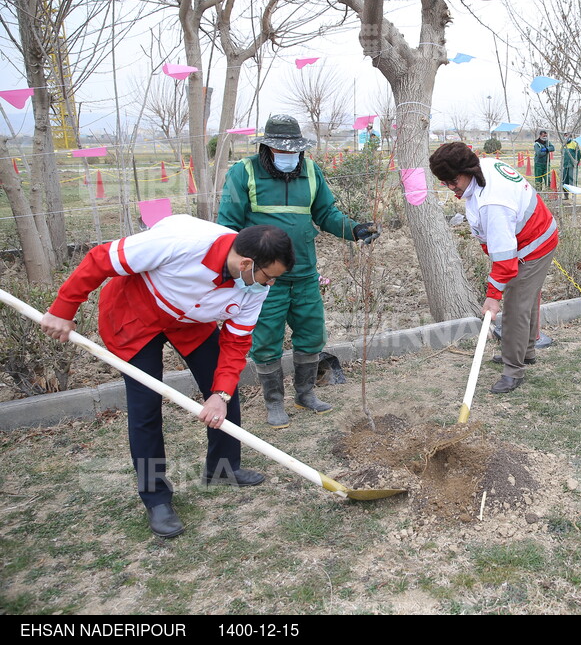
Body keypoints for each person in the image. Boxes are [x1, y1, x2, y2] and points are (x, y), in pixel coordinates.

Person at [40, 215, 296, 538]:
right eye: (268, 277)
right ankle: (156, 498)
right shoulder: (180, 242)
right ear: (246, 262)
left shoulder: (254, 286)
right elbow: (101, 259)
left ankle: (223, 468)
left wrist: (221, 394)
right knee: (146, 409)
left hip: (190, 322)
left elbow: (236, 343)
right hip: (136, 314)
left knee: (222, 387)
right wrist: (63, 310)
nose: (269, 285)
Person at [218, 115, 379, 430]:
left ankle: (305, 393)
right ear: (267, 149)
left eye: (294, 151)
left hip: (304, 273)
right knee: (266, 341)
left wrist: (355, 229)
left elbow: (326, 213)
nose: (290, 156)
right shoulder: (243, 173)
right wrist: (235, 273)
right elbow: (227, 226)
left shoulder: (311, 172)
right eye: (282, 150)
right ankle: (274, 401)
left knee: (311, 334)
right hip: (263, 280)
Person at [429, 142, 558, 394]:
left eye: (453, 181)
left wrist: (493, 295)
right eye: (444, 183)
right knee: (525, 299)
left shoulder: (493, 203)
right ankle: (526, 351)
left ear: (468, 169)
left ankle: (513, 369)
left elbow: (505, 259)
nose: (451, 187)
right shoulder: (482, 168)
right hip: (529, 238)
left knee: (515, 306)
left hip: (534, 245)